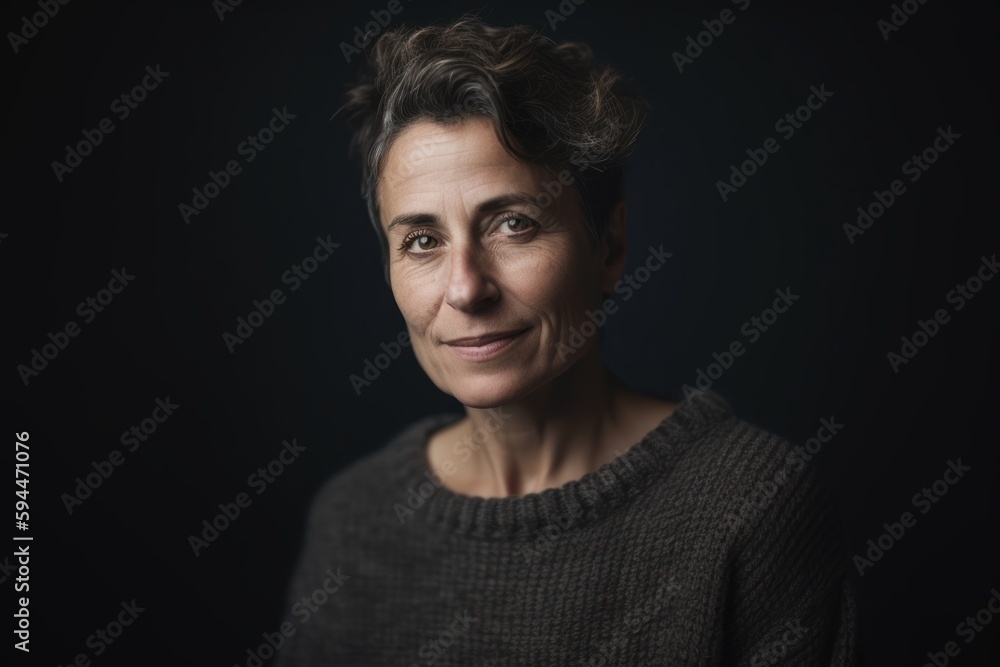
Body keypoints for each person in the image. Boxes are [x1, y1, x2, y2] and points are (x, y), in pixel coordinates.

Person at [274, 15, 856, 665]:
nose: (466, 288)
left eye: (513, 224)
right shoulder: (353, 519)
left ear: (608, 247)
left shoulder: (751, 509)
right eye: (422, 240)